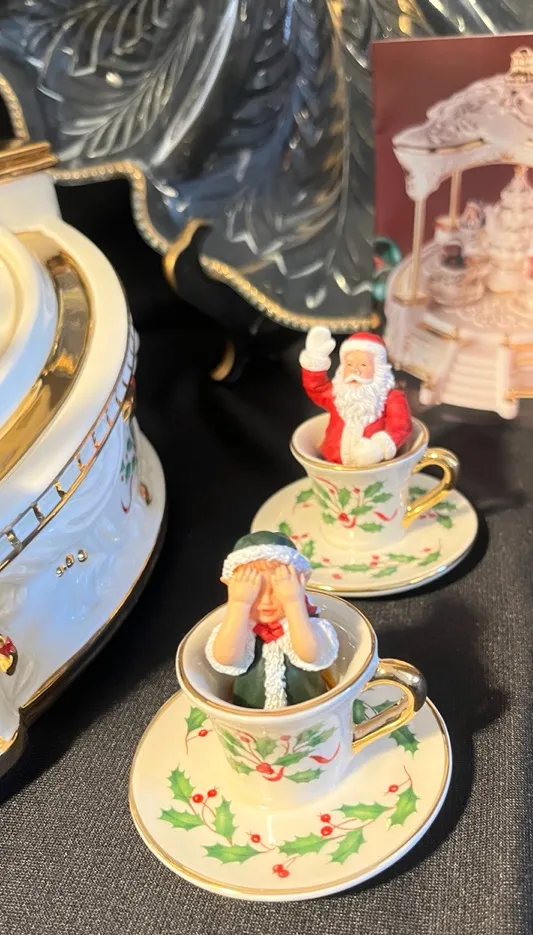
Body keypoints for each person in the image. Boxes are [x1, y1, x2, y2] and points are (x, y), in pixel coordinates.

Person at [206, 532, 338, 710]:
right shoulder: (241, 630)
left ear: (301, 583)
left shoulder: (306, 625)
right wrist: (239, 604)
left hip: (311, 711)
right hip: (248, 715)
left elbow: (310, 654)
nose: (266, 601)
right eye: (254, 591)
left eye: (277, 590)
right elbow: (226, 658)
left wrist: (293, 603)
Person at [299, 327, 412, 465]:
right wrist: (315, 360)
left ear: (378, 370)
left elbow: (401, 426)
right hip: (332, 465)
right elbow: (317, 388)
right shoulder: (340, 395)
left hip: (374, 468)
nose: (355, 370)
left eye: (363, 365)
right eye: (349, 364)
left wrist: (379, 448)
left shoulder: (391, 398)